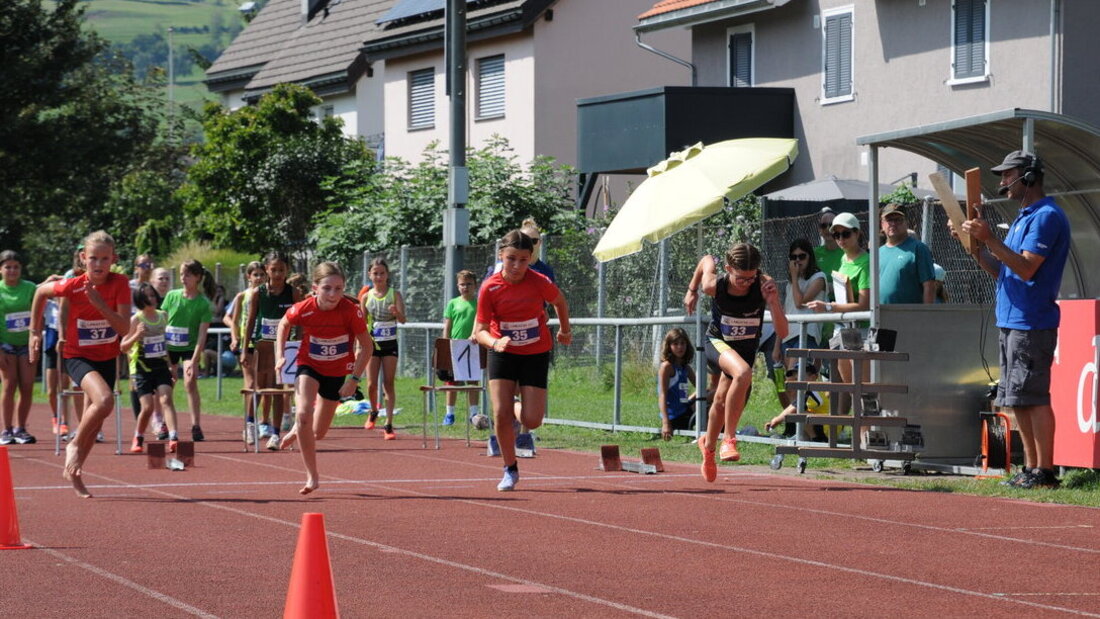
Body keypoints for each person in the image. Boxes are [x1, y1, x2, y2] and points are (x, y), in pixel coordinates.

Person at [959, 150, 1069, 489]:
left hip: (1032, 321)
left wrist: (989, 238)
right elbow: (1004, 271)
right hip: (1012, 321)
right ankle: (1032, 468)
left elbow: (1026, 267)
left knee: (1034, 397)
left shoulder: (1046, 216)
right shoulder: (1023, 217)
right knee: (1017, 397)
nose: (1003, 182)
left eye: (1009, 175)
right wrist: (972, 246)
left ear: (1030, 177)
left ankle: (1046, 471)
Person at [29, 230, 132, 498]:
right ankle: (73, 445)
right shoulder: (73, 285)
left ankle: (75, 472)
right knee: (105, 401)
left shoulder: (120, 283)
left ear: (114, 259)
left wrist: (100, 306)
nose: (99, 265)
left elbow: (123, 328)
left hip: (107, 357)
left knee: (96, 419)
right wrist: (33, 332)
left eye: (105, 259)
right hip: (78, 356)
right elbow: (40, 291)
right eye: (93, 258)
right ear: (83, 258)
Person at [473, 230, 571, 491]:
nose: (517, 266)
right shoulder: (490, 287)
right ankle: (510, 469)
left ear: (530, 259)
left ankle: (516, 406)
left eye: (523, 260)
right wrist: (495, 342)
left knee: (533, 419)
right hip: (502, 351)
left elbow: (560, 301)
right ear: (501, 256)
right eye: (511, 259)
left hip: (535, 351)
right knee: (500, 414)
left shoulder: (538, 281)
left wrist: (564, 329)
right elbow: (480, 330)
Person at [684, 242, 788, 482]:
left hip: (744, 349)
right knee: (742, 373)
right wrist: (692, 290)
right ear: (728, 268)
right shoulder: (714, 285)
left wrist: (773, 302)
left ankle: (708, 449)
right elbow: (706, 259)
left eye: (751, 278)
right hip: (717, 343)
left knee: (721, 400)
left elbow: (782, 332)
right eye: (741, 278)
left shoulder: (763, 284)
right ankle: (728, 440)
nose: (747, 283)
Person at [275, 262, 372, 494]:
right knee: (303, 413)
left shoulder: (350, 311)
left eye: (338, 289)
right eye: (327, 288)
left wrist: (354, 379)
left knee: (317, 432)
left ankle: (297, 430)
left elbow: (367, 347)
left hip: (338, 372)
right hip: (309, 365)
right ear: (315, 287)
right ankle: (312, 476)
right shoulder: (304, 308)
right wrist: (280, 355)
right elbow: (283, 324)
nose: (333, 294)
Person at [805, 212, 871, 415]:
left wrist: (828, 307)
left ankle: (867, 437)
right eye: (837, 235)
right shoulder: (844, 258)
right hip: (841, 330)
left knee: (863, 390)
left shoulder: (866, 261)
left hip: (860, 333)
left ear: (857, 233)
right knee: (848, 388)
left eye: (846, 234)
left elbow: (864, 305)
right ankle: (850, 435)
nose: (841, 239)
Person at [759, 238, 828, 410]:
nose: (797, 261)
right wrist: (777, 345)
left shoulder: (819, 278)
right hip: (788, 336)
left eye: (801, 256)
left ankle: (808, 429)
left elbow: (800, 302)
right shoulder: (791, 283)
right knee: (789, 383)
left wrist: (795, 277)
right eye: (793, 257)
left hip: (807, 335)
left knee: (799, 381)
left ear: (809, 257)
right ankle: (796, 428)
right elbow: (786, 313)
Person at [242, 251, 300, 450]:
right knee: (257, 387)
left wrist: (297, 343)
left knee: (276, 391)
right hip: (261, 346)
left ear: (287, 271)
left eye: (281, 270)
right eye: (273, 270)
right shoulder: (259, 293)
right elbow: (250, 321)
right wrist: (244, 349)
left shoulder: (292, 293)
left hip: (281, 349)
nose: (277, 274)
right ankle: (250, 423)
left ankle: (275, 434)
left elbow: (299, 320)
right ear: (266, 269)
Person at [120, 283, 180, 453]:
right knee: (147, 408)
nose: (152, 299)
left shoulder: (163, 316)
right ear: (140, 300)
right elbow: (123, 347)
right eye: (147, 297)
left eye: (153, 296)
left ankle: (173, 436)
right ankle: (138, 436)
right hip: (141, 367)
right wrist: (137, 335)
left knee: (166, 399)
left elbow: (165, 344)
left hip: (160, 366)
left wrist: (172, 366)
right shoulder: (136, 319)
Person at [161, 260, 212, 442]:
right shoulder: (171, 297)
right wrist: (167, 359)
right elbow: (162, 324)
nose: (183, 278)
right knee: (167, 384)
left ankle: (196, 425)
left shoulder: (203, 303)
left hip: (190, 348)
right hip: (170, 347)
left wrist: (195, 359)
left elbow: (201, 336)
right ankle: (164, 424)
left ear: (197, 277)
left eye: (188, 275)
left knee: (190, 382)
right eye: (182, 274)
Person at [361, 258, 406, 439]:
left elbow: (404, 320)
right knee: (371, 385)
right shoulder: (366, 296)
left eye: (382, 273)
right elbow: (361, 323)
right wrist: (360, 345)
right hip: (372, 345)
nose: (379, 276)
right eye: (375, 273)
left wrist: (396, 312)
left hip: (390, 344)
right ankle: (373, 411)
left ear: (387, 275)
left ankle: (388, 424)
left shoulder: (395, 294)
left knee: (388, 383)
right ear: (370, 275)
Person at [0, 251, 39, 445]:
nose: (12, 270)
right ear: (1, 270)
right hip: (5, 343)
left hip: (27, 342)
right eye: (8, 267)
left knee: (27, 385)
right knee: (9, 385)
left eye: (16, 266)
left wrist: (36, 338)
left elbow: (38, 314)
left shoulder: (30, 288)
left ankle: (20, 428)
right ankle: (6, 430)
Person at [225, 261, 266, 444]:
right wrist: (235, 339)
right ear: (248, 277)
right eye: (255, 274)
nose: (259, 278)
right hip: (247, 343)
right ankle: (249, 424)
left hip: (264, 343)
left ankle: (263, 422)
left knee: (264, 385)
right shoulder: (243, 296)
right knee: (251, 384)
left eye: (261, 274)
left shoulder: (268, 294)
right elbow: (233, 320)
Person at [441, 270, 479, 426]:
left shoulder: (478, 303)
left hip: (473, 346)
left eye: (469, 284)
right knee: (452, 382)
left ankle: (474, 413)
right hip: (455, 345)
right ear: (458, 286)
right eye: (462, 284)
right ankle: (449, 414)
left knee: (473, 381)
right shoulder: (453, 303)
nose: (466, 287)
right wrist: (445, 343)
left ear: (475, 286)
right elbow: (447, 325)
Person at [878, 203, 936, 304]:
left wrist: (927, 316)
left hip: (908, 315)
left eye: (898, 219)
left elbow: (929, 285)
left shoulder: (919, 248)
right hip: (880, 315)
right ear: (882, 224)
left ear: (906, 223)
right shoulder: (878, 253)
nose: (893, 223)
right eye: (889, 220)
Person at [764, 364, 829, 442]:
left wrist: (777, 420)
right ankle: (800, 437)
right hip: (822, 424)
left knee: (799, 412)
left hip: (827, 427)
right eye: (796, 379)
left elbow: (792, 408)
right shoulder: (810, 391)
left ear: (814, 377)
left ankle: (816, 439)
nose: (797, 381)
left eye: (800, 378)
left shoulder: (813, 391)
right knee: (800, 413)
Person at [657, 327, 697, 441]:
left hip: (685, 409)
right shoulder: (667, 367)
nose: (680, 347)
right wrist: (665, 423)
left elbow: (701, 388)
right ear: (669, 346)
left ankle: (724, 432)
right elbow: (662, 395)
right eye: (675, 344)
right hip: (674, 416)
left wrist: (691, 398)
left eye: (683, 343)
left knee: (712, 395)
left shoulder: (685, 367)